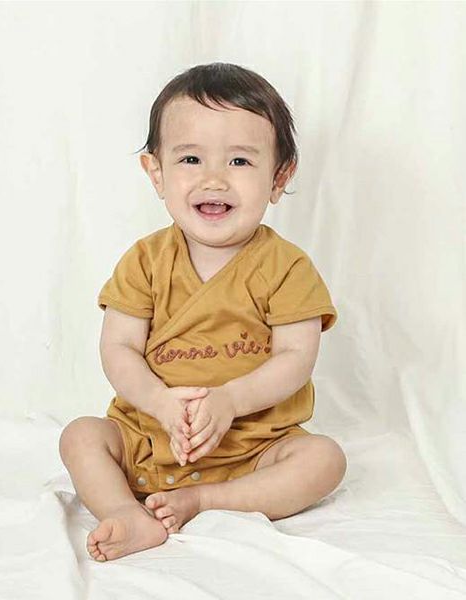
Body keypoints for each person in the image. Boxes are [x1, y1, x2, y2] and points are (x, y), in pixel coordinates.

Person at [59, 62, 347, 562]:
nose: (214, 179)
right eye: (191, 158)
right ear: (157, 173)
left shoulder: (287, 267)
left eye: (239, 161)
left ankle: (207, 499)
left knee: (324, 459)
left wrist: (231, 399)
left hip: (251, 449)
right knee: (80, 436)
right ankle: (125, 512)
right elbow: (119, 347)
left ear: (279, 177)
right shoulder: (144, 261)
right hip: (149, 438)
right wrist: (159, 401)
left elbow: (296, 357)